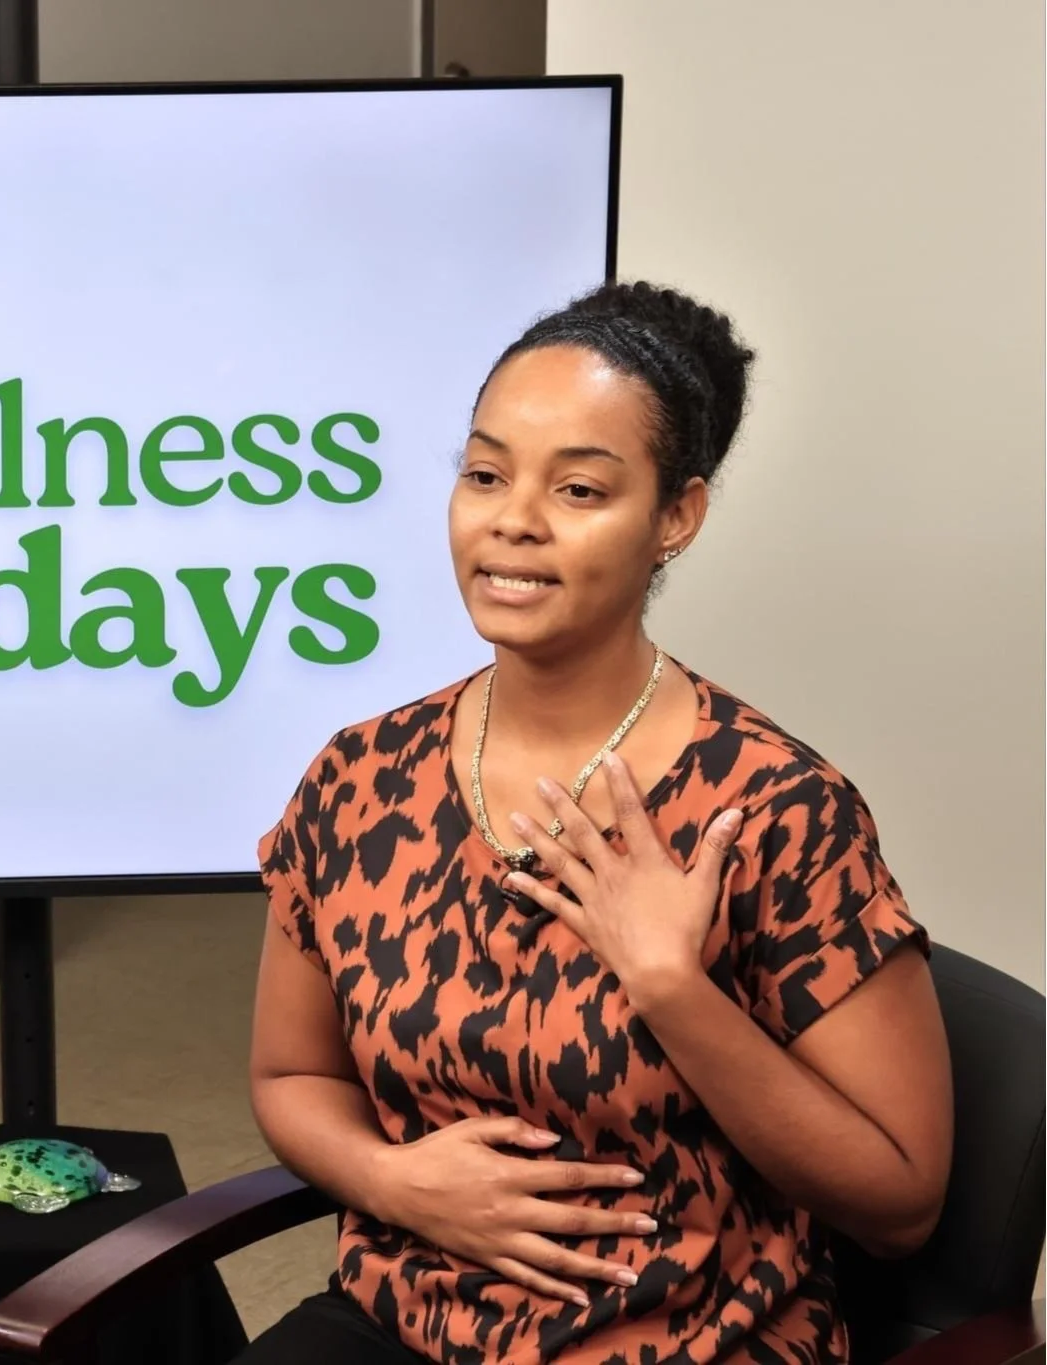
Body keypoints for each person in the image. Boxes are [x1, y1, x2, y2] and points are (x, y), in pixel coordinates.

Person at [242, 282, 951, 1365]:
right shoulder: (356, 778)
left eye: (577, 488)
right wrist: (392, 1182)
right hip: (406, 1321)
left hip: (682, 1340)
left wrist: (672, 988)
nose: (511, 520)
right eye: (482, 475)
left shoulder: (774, 812)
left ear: (675, 517)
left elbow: (899, 1201)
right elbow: (291, 1079)